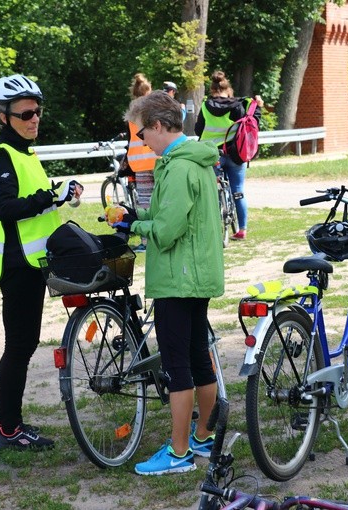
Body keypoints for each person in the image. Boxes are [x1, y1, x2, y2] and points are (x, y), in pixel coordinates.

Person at [116, 90, 224, 475]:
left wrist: (134, 226)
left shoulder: (177, 168)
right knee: (198, 358)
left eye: (142, 133)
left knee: (178, 366)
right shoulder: (193, 160)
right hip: (196, 275)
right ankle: (204, 437)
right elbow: (170, 214)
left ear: (159, 125)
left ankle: (179, 453)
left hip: (177, 278)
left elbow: (166, 229)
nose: (142, 141)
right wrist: (135, 216)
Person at [0, 74, 82, 450]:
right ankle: (10, 428)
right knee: (20, 347)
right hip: (17, 265)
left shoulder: (25, 153)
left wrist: (58, 194)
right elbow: (8, 208)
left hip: (31, 262)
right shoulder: (2, 156)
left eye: (37, 111)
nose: (34, 118)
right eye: (25, 113)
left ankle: (1, 421)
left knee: (20, 345)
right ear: (3, 116)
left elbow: (34, 199)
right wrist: (49, 197)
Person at [195, 70, 263, 240]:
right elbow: (250, 124)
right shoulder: (238, 106)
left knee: (211, 192)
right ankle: (242, 230)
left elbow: (198, 130)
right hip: (235, 154)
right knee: (238, 191)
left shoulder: (206, 106)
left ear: (212, 90)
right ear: (228, 89)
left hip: (212, 155)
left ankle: (212, 228)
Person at [123, 73, 158, 252]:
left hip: (139, 162)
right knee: (161, 198)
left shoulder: (132, 109)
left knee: (144, 202)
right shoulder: (154, 106)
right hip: (157, 158)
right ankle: (161, 233)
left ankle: (146, 241)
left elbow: (130, 138)